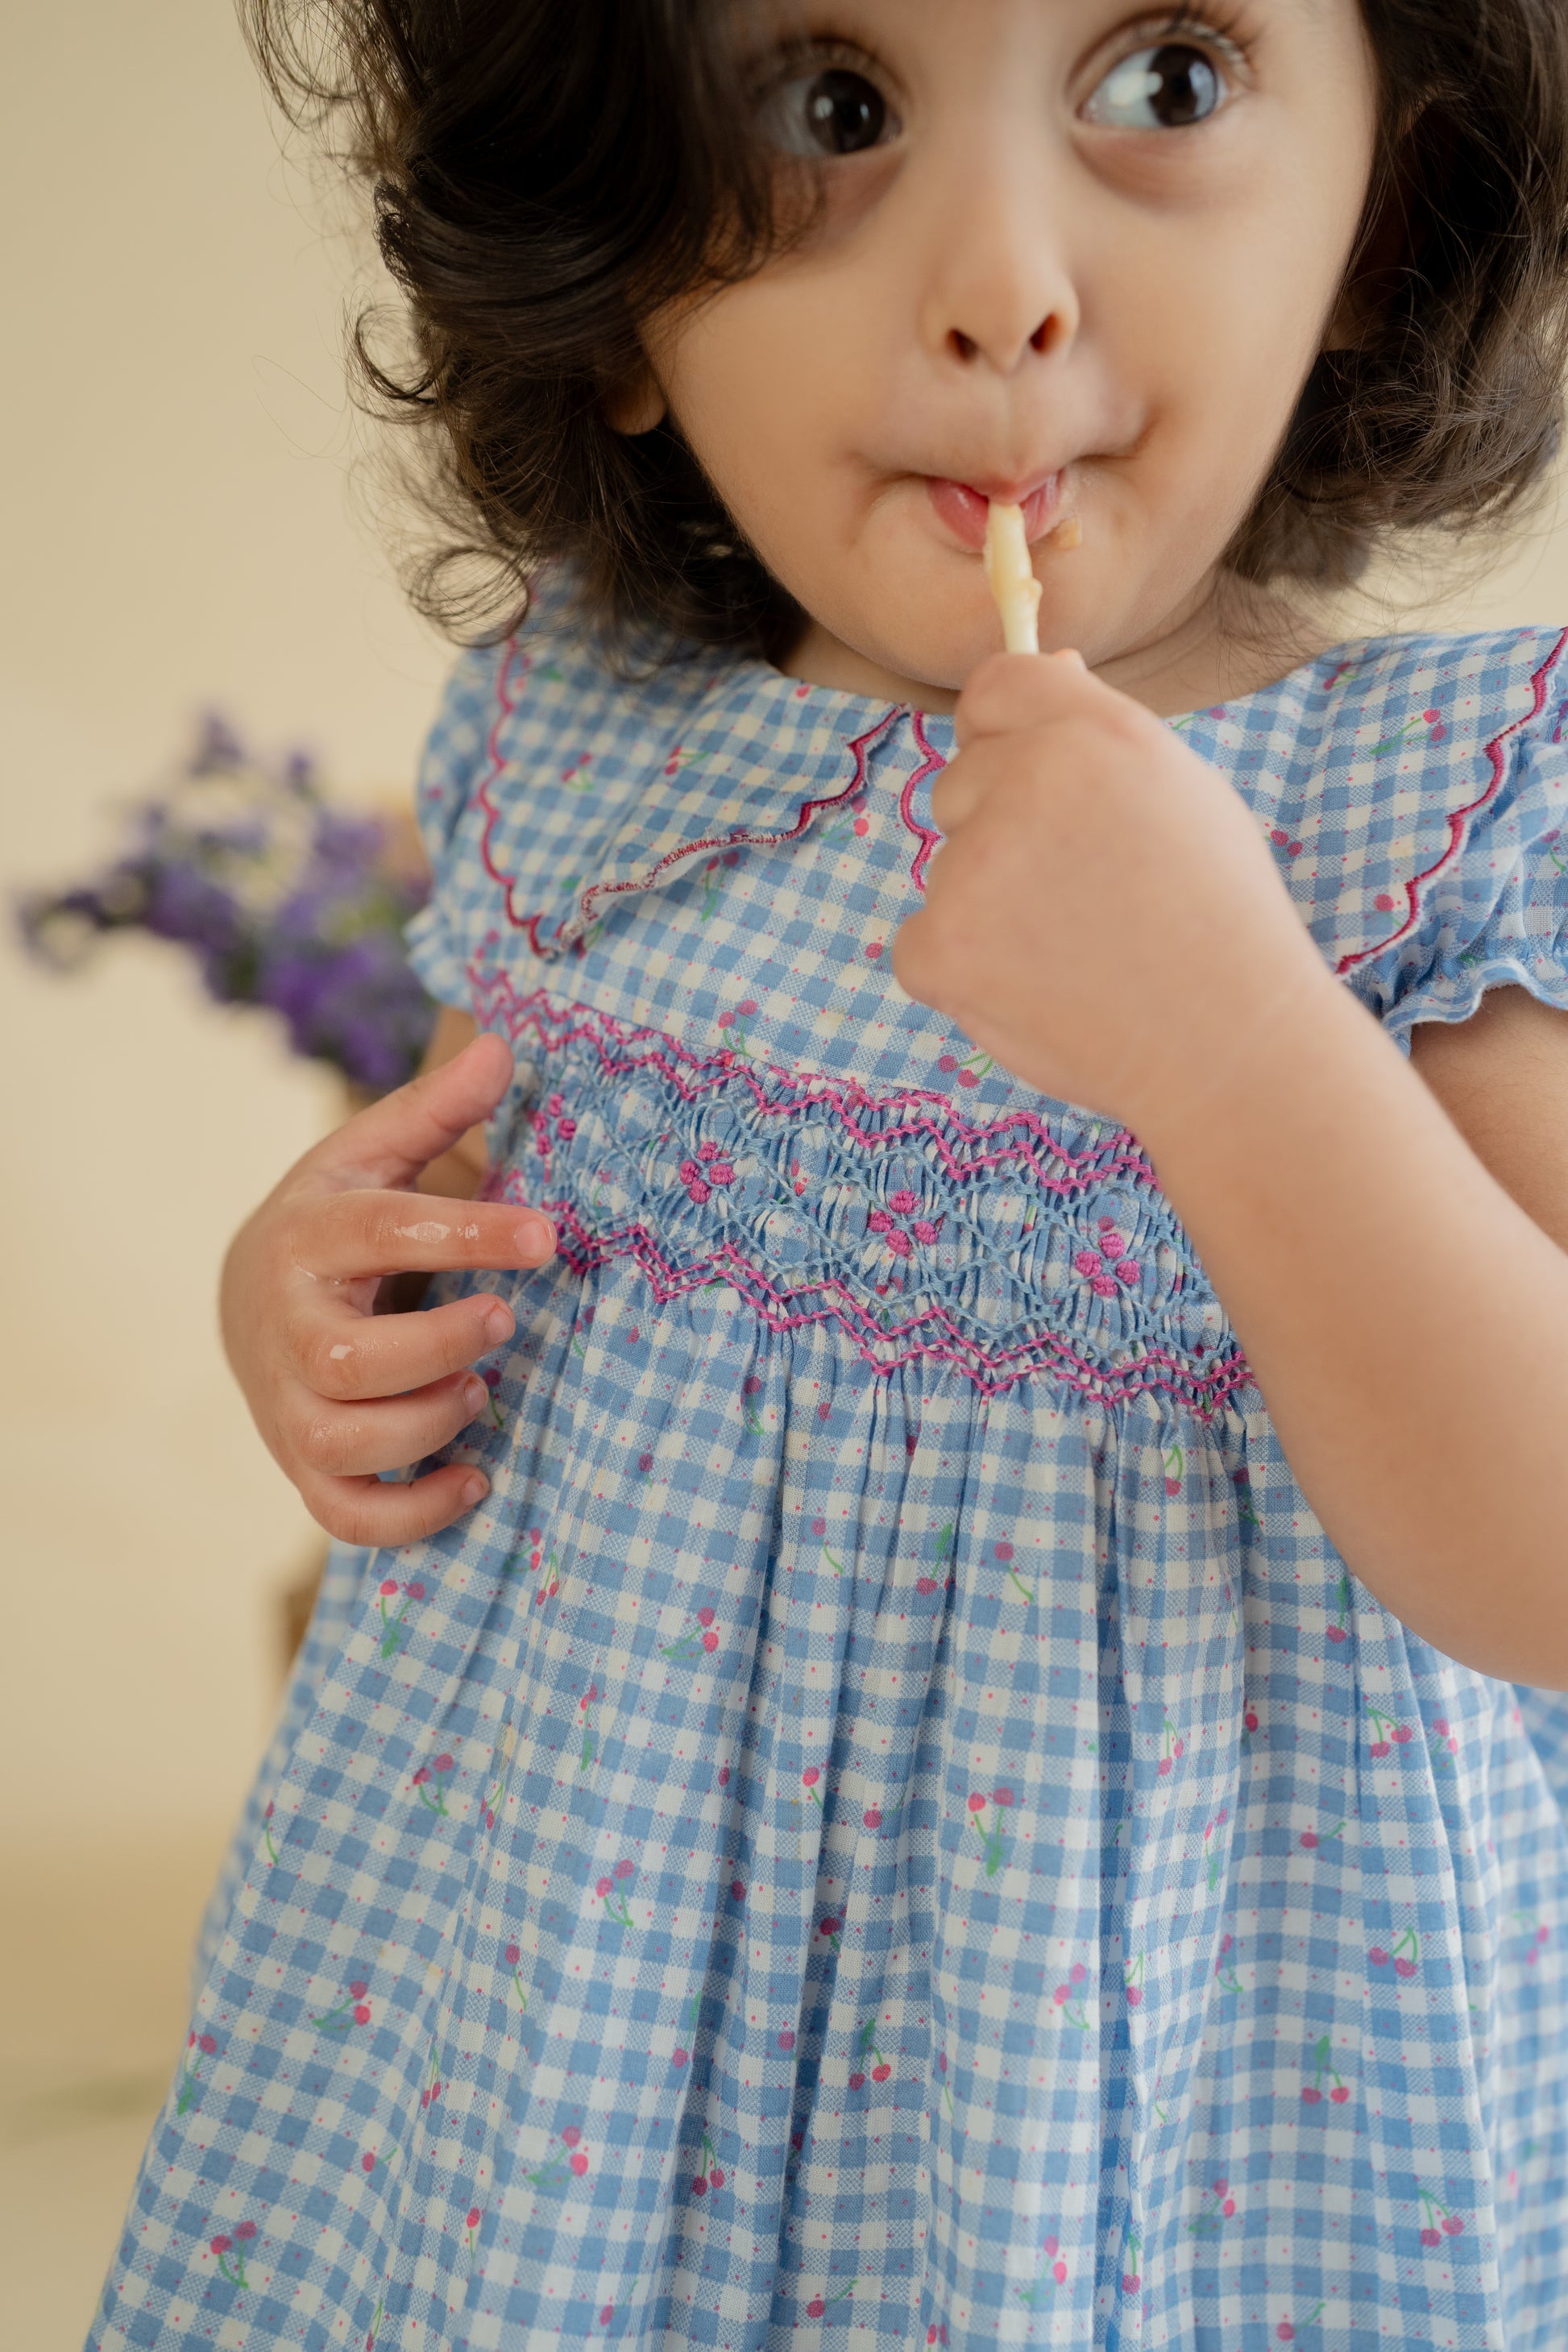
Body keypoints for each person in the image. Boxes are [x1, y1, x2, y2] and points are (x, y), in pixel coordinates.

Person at [91, 2, 1568, 2345]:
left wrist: (1241, 1039)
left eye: (1164, 83)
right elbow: (455, 1185)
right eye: (830, 108)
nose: (998, 279)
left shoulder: (1427, 832)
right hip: (563, 2020)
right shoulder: (597, 759)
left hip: (1139, 2091)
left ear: (1381, 220)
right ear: (617, 310)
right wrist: (306, 1298)